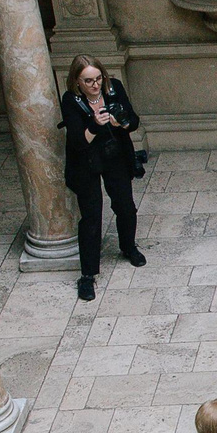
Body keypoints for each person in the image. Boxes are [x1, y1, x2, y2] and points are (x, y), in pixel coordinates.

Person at [60, 55, 142, 303]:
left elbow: (134, 122)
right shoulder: (71, 101)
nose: (96, 85)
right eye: (89, 81)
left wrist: (121, 123)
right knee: (92, 217)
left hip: (115, 155)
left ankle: (128, 246)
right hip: (86, 161)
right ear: (77, 82)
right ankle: (87, 275)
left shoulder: (113, 88)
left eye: (98, 79)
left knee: (125, 205)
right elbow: (78, 142)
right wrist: (95, 124)